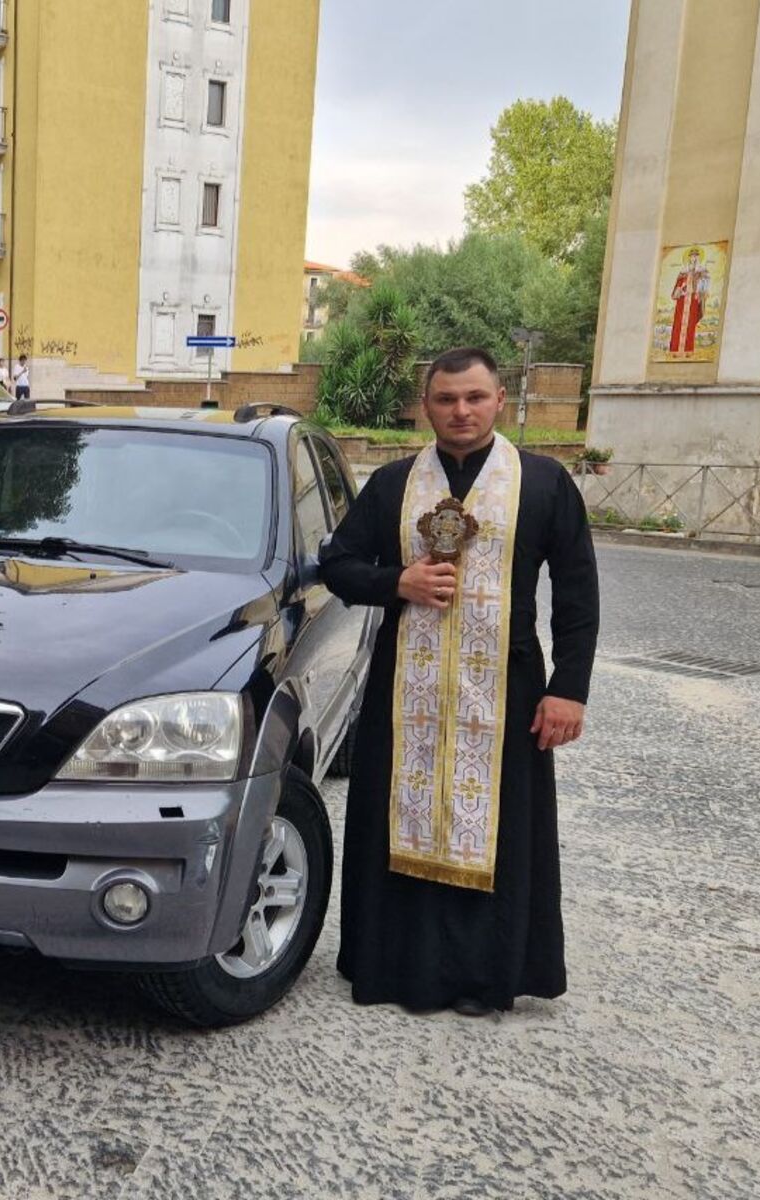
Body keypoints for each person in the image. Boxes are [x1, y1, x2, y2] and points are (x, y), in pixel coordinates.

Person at [318, 346, 599, 1016]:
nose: (461, 411)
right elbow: (337, 565)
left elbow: (579, 592)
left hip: (509, 691)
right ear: (427, 406)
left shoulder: (544, 482)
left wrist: (570, 688)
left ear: (500, 400)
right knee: (397, 816)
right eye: (446, 399)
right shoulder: (390, 484)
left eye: (474, 397)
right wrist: (398, 582)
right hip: (405, 692)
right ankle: (393, 967)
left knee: (499, 828)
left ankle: (484, 976)